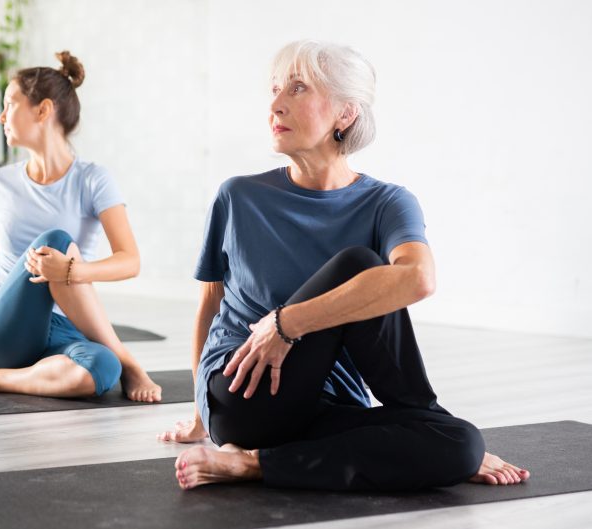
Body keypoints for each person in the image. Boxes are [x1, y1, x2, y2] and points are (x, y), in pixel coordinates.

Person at [158, 40, 530, 491]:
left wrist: (286, 323)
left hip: (329, 408)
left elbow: (419, 278)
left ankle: (254, 464)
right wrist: (202, 417)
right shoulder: (237, 196)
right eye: (275, 90)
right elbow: (208, 307)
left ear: (345, 113)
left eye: (297, 89)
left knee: (462, 444)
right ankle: (254, 447)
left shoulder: (387, 202)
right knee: (360, 265)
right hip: (245, 394)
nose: (275, 104)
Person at [0, 51, 161, 402]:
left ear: (43, 110)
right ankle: (130, 360)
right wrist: (62, 263)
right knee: (56, 242)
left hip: (63, 328)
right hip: (0, 327)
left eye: (10, 104)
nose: (1, 116)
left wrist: (75, 271)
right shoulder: (0, 182)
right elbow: (5, 268)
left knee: (102, 369)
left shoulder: (93, 180)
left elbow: (130, 261)